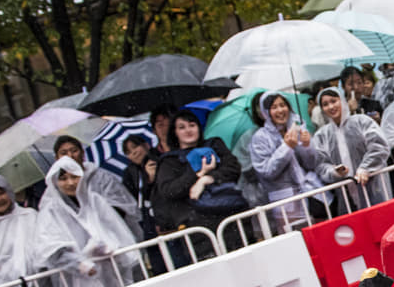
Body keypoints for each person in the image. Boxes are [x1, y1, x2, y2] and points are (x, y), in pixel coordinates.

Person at [38, 157, 139, 287]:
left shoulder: (95, 201)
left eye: (75, 177)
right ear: (55, 182)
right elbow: (52, 248)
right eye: (64, 179)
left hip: (110, 271)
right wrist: (81, 265)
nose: (70, 183)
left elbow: (117, 230)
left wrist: (109, 246)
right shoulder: (50, 211)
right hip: (78, 280)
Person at [153, 109, 246, 238]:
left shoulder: (214, 145)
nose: (188, 130)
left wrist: (208, 178)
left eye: (192, 125)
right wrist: (197, 174)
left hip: (231, 211)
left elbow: (233, 168)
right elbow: (169, 191)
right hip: (197, 225)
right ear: (175, 132)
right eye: (182, 127)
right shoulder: (169, 161)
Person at [249, 91, 330, 227]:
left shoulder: (297, 127)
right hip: (287, 204)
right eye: (274, 107)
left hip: (313, 194)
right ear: (266, 112)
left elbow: (311, 164)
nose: (280, 110)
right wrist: (286, 147)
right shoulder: (259, 138)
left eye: (282, 105)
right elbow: (266, 171)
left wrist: (306, 146)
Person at [313, 85, 392, 207]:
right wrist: (335, 171)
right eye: (325, 104)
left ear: (342, 101)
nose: (331, 107)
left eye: (334, 101)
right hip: (346, 195)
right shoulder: (322, 136)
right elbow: (321, 165)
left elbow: (379, 146)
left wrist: (366, 168)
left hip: (374, 185)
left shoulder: (362, 121)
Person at [52, 134, 141, 237]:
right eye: (64, 153)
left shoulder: (102, 177)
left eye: (74, 151)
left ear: (82, 153)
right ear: (57, 158)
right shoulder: (56, 187)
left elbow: (121, 206)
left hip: (115, 233)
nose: (70, 156)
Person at [121, 134, 160, 242]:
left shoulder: (159, 160)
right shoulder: (129, 173)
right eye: (128, 152)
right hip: (145, 221)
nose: (133, 153)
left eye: (135, 147)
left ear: (146, 145)